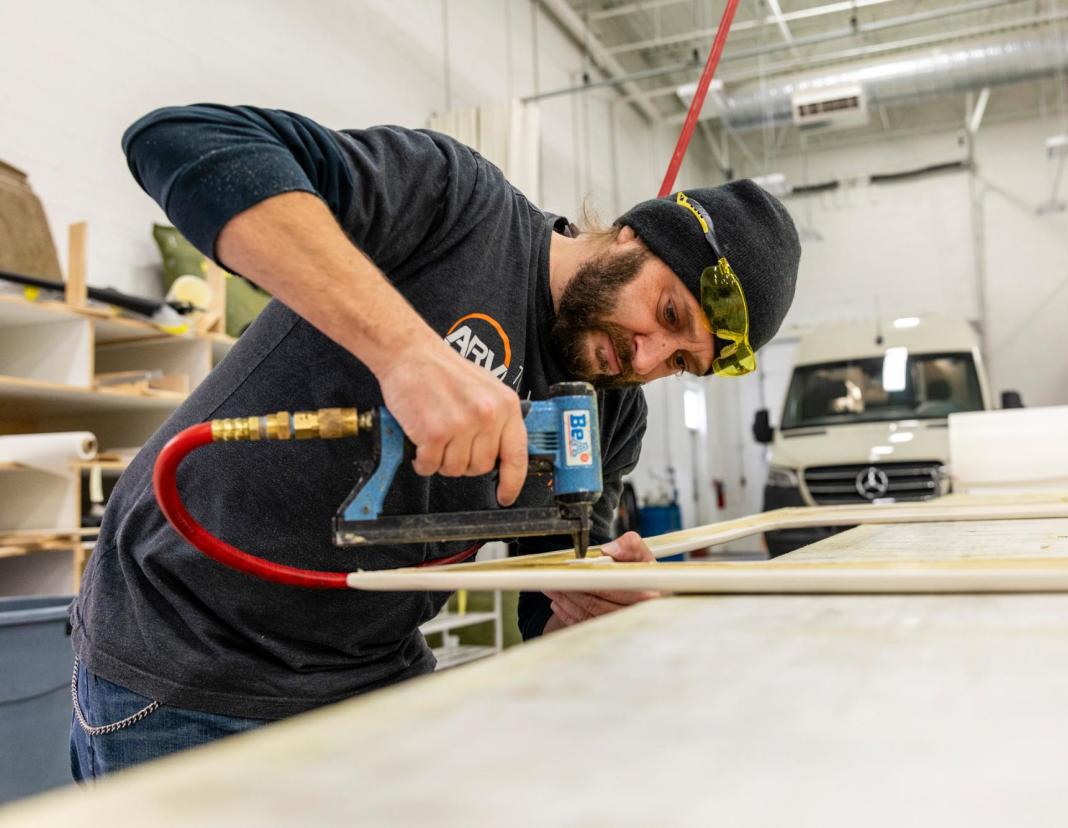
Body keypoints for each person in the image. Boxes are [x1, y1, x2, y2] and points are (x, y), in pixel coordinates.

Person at [69, 104, 800, 779]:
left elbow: (544, 590)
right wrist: (406, 354)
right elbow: (182, 139)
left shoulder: (609, 414)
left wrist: (593, 602)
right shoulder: (457, 206)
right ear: (632, 237)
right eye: (666, 312)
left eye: (679, 362)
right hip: (185, 665)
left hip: (369, 676)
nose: (645, 360)